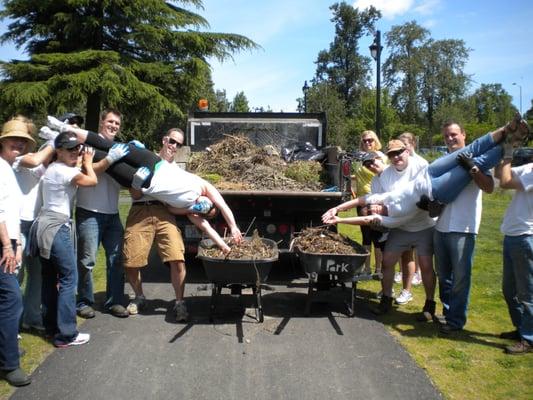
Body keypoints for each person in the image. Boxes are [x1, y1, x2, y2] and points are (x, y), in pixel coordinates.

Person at [45, 116, 243, 253]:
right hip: (153, 162)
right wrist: (233, 227)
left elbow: (205, 227)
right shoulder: (203, 186)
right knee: (112, 146)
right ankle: (65, 128)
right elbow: (224, 206)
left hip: (143, 180)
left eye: (202, 210)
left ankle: (56, 140)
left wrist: (223, 246)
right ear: (208, 199)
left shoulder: (186, 210)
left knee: (108, 160)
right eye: (207, 205)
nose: (203, 206)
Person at [323, 118, 529, 224]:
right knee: (477, 162)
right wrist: (341, 220)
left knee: (469, 150)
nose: (373, 209)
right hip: (437, 191)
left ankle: (506, 129)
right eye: (373, 212)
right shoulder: (393, 219)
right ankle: (511, 143)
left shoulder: (385, 197)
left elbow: (361, 200)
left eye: (373, 207)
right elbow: (366, 219)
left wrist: (337, 208)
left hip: (428, 173)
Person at [34, 131, 102, 347]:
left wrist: (79, 160)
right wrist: (89, 162)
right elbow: (92, 181)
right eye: (70, 148)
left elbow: (73, 168)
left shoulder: (54, 168)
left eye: (78, 148)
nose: (76, 152)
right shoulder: (64, 171)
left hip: (44, 226)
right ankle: (67, 334)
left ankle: (51, 327)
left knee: (49, 277)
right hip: (56, 227)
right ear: (59, 151)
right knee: (68, 278)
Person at [122, 128, 190, 321]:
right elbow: (135, 195)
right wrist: (135, 183)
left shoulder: (177, 171)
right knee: (131, 260)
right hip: (140, 210)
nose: (173, 146)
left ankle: (179, 303)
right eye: (171, 141)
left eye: (178, 143)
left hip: (164, 211)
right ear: (163, 139)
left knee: (177, 257)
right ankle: (139, 297)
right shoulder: (145, 158)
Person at [72, 109, 130, 319]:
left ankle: (114, 301)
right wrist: (109, 161)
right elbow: (85, 170)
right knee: (87, 261)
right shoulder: (87, 147)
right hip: (89, 212)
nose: (113, 126)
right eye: (110, 122)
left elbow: (124, 181)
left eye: (117, 123)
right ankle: (84, 302)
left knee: (116, 259)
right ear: (101, 123)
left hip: (112, 213)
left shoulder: (121, 151)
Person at [0, 119, 31, 386]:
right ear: (2, 142)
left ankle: (7, 350)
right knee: (11, 299)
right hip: (1, 243)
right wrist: (8, 246)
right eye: (14, 140)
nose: (19, 144)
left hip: (9, 240)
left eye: (23, 141)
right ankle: (9, 364)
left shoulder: (9, 168)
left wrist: (18, 244)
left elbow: (13, 212)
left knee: (8, 299)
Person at [495, 154, 533, 354]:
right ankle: (521, 329)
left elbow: (507, 182)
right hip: (513, 235)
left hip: (526, 237)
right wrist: (503, 155)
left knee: (527, 293)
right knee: (510, 290)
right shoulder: (529, 168)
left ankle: (529, 339)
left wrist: (509, 154)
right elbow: (500, 176)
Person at [352, 130, 386, 273]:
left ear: (375, 141)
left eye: (370, 140)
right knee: (365, 236)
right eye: (365, 140)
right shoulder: (361, 157)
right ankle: (366, 267)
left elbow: (381, 173)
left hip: (374, 200)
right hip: (361, 201)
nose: (367, 143)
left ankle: (378, 268)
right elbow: (360, 174)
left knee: (377, 237)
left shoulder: (379, 157)